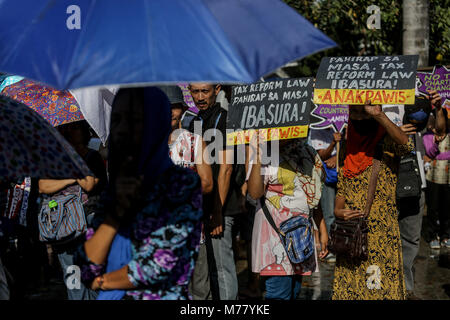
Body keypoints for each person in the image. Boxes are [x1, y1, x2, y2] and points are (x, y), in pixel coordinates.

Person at [75, 87, 203, 300]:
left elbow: (158, 264)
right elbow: (86, 262)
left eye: (135, 119)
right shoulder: (117, 186)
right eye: (117, 119)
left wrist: (102, 281)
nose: (123, 129)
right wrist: (117, 211)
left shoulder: (180, 184)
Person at [332, 102, 412, 300]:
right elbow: (341, 189)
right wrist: (338, 211)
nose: (359, 117)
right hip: (352, 237)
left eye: (363, 112)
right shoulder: (346, 148)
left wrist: (379, 115)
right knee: (352, 290)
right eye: (355, 112)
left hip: (380, 237)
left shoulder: (386, 143)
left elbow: (406, 145)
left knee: (378, 290)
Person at [247, 137, 328, 300]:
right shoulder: (264, 152)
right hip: (275, 239)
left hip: (302, 238)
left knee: (295, 291)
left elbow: (314, 195)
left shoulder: (308, 152)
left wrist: (322, 228)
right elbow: (255, 193)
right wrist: (256, 157)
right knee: (279, 294)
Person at [38, 120, 107, 300]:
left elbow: (89, 184)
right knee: (72, 273)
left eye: (76, 127)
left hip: (89, 220)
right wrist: (70, 179)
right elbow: (43, 186)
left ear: (84, 131)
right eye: (67, 128)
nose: (72, 131)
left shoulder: (92, 157)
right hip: (64, 225)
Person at [187, 83, 240, 300]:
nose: (200, 97)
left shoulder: (225, 119)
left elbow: (226, 169)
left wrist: (218, 211)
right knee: (205, 272)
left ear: (216, 89)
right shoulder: (193, 122)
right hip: (201, 208)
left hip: (222, 206)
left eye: (205, 91)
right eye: (195, 91)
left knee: (221, 268)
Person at [308, 127, 342, 263]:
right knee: (329, 214)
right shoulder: (316, 130)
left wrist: (337, 157)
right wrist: (333, 142)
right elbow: (321, 155)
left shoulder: (344, 127)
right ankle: (332, 248)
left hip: (342, 173)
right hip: (326, 177)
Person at [422, 91, 450, 250]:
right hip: (432, 176)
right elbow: (429, 154)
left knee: (447, 207)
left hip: (448, 177)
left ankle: (446, 235)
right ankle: (432, 235)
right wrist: (436, 148)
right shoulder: (428, 136)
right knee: (432, 207)